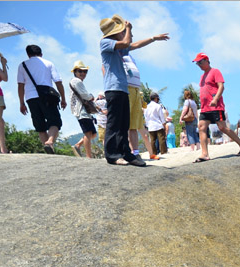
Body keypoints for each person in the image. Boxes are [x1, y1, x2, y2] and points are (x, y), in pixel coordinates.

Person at [99, 14, 168, 166]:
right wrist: (128, 28)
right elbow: (126, 42)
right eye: (121, 30)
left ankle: (126, 153)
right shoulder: (105, 42)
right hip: (113, 88)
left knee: (124, 123)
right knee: (114, 123)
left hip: (123, 88)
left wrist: (153, 38)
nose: (123, 32)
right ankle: (112, 155)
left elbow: (134, 45)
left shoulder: (118, 47)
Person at [192, 52, 240, 162]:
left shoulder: (215, 72)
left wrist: (215, 99)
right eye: (197, 63)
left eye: (200, 62)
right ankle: (204, 154)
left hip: (216, 106)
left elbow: (221, 86)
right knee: (201, 127)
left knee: (222, 128)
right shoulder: (202, 76)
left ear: (207, 61)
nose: (199, 64)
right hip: (205, 108)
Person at [17, 44, 66, 154]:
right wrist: (63, 98)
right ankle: (50, 142)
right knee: (55, 122)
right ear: (41, 54)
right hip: (47, 96)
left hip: (31, 98)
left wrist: (21, 103)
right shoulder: (48, 63)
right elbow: (58, 82)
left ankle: (48, 150)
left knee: (40, 126)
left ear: (28, 54)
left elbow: (20, 86)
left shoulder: (22, 65)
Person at [68, 61, 97, 158]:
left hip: (81, 110)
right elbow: (85, 95)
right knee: (88, 133)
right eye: (80, 71)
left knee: (92, 133)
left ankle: (78, 145)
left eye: (85, 71)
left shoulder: (76, 81)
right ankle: (89, 156)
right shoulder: (77, 81)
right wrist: (91, 96)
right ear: (75, 72)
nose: (83, 73)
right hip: (81, 110)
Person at [144, 92, 167, 156]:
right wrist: (164, 124)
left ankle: (154, 153)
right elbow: (161, 116)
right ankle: (163, 152)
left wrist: (147, 125)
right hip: (158, 124)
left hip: (150, 126)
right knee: (161, 139)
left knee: (152, 141)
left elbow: (146, 117)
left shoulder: (147, 107)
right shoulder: (158, 106)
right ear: (156, 98)